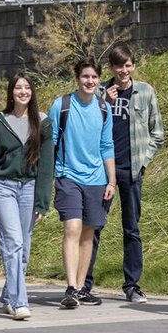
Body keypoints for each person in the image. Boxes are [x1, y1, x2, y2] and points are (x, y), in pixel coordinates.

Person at [83, 43, 164, 303]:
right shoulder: (99, 94)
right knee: (94, 226)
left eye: (128, 65)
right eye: (119, 65)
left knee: (131, 228)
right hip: (102, 170)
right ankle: (83, 284)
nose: (124, 70)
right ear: (111, 68)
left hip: (131, 169)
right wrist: (104, 102)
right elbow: (88, 128)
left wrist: (143, 161)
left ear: (134, 66)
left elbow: (157, 133)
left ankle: (132, 285)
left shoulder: (146, 92)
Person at [0, 74, 54, 321]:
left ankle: (8, 295)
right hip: (3, 187)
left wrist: (43, 200)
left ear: (32, 92)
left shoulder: (42, 122)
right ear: (11, 92)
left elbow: (46, 166)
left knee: (24, 247)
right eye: (18, 87)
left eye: (27, 87)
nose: (23, 91)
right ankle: (20, 302)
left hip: (30, 188)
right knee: (13, 243)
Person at [49, 57, 116, 308]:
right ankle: (70, 287)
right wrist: (53, 175)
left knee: (89, 233)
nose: (90, 81)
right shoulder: (62, 105)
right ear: (77, 78)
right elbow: (52, 141)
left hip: (97, 180)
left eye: (94, 77)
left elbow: (106, 145)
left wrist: (112, 181)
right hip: (68, 177)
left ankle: (79, 288)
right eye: (85, 76)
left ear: (99, 80)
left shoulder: (103, 108)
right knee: (73, 229)